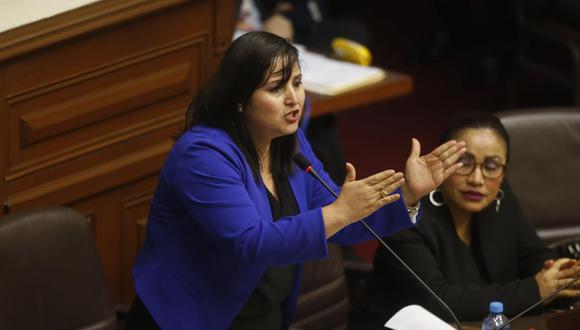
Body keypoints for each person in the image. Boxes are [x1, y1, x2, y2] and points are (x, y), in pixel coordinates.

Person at [125, 31, 466, 330]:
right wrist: (339, 212)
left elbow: (340, 220)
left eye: (297, 83)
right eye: (277, 88)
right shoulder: (202, 156)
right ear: (240, 99)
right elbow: (250, 243)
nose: (294, 98)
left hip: (261, 315)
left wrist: (408, 193)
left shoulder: (290, 143)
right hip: (194, 319)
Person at [362, 113, 580, 327]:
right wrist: (537, 290)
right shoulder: (407, 218)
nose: (477, 179)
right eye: (464, 163)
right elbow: (438, 303)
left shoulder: (498, 196)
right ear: (443, 162)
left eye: (492, 166)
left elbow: (532, 253)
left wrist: (560, 272)